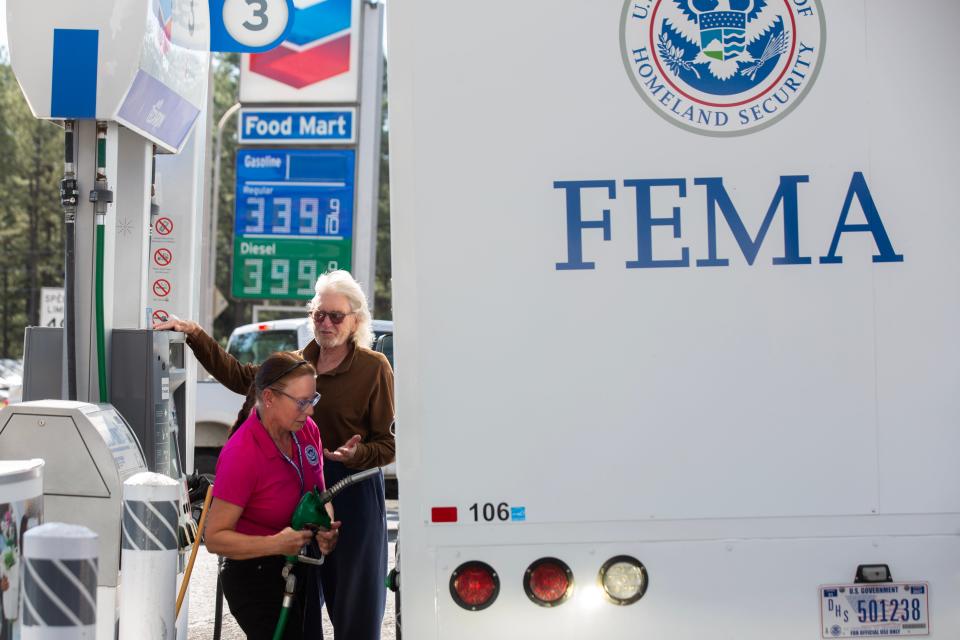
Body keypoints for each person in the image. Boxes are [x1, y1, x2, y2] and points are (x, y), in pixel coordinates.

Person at [156, 270, 395, 640]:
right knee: (300, 609)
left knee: (356, 611)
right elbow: (240, 376)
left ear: (356, 320)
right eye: (319, 314)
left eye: (336, 316)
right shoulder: (297, 364)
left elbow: (389, 444)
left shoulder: (373, 368)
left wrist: (357, 453)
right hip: (302, 490)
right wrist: (194, 334)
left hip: (354, 491)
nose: (326, 323)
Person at [205, 352, 340, 640]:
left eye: (313, 400)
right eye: (302, 402)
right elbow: (214, 538)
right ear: (269, 398)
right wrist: (274, 543)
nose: (311, 411)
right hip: (253, 574)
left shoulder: (307, 431)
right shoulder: (242, 453)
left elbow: (319, 492)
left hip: (294, 564)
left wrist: (326, 526)